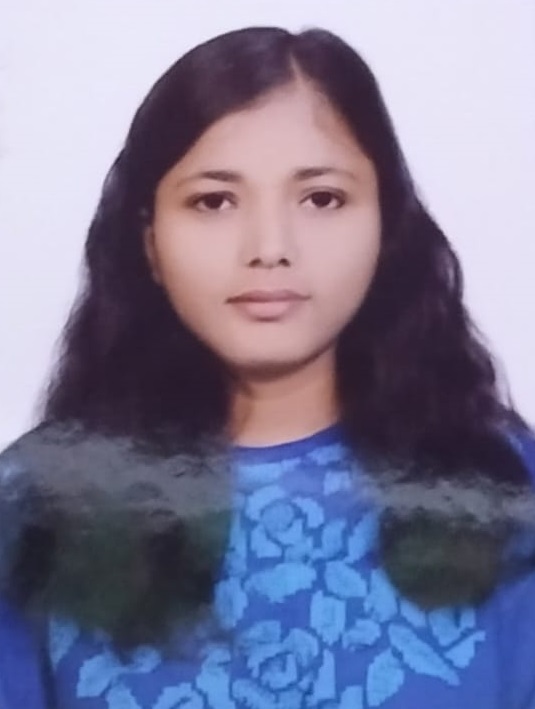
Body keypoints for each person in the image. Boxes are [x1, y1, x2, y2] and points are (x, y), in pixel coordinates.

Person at [1, 25, 534, 709]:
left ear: (386, 227)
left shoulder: (504, 487)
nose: (270, 247)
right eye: (214, 201)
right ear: (150, 241)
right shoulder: (34, 506)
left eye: (321, 199)